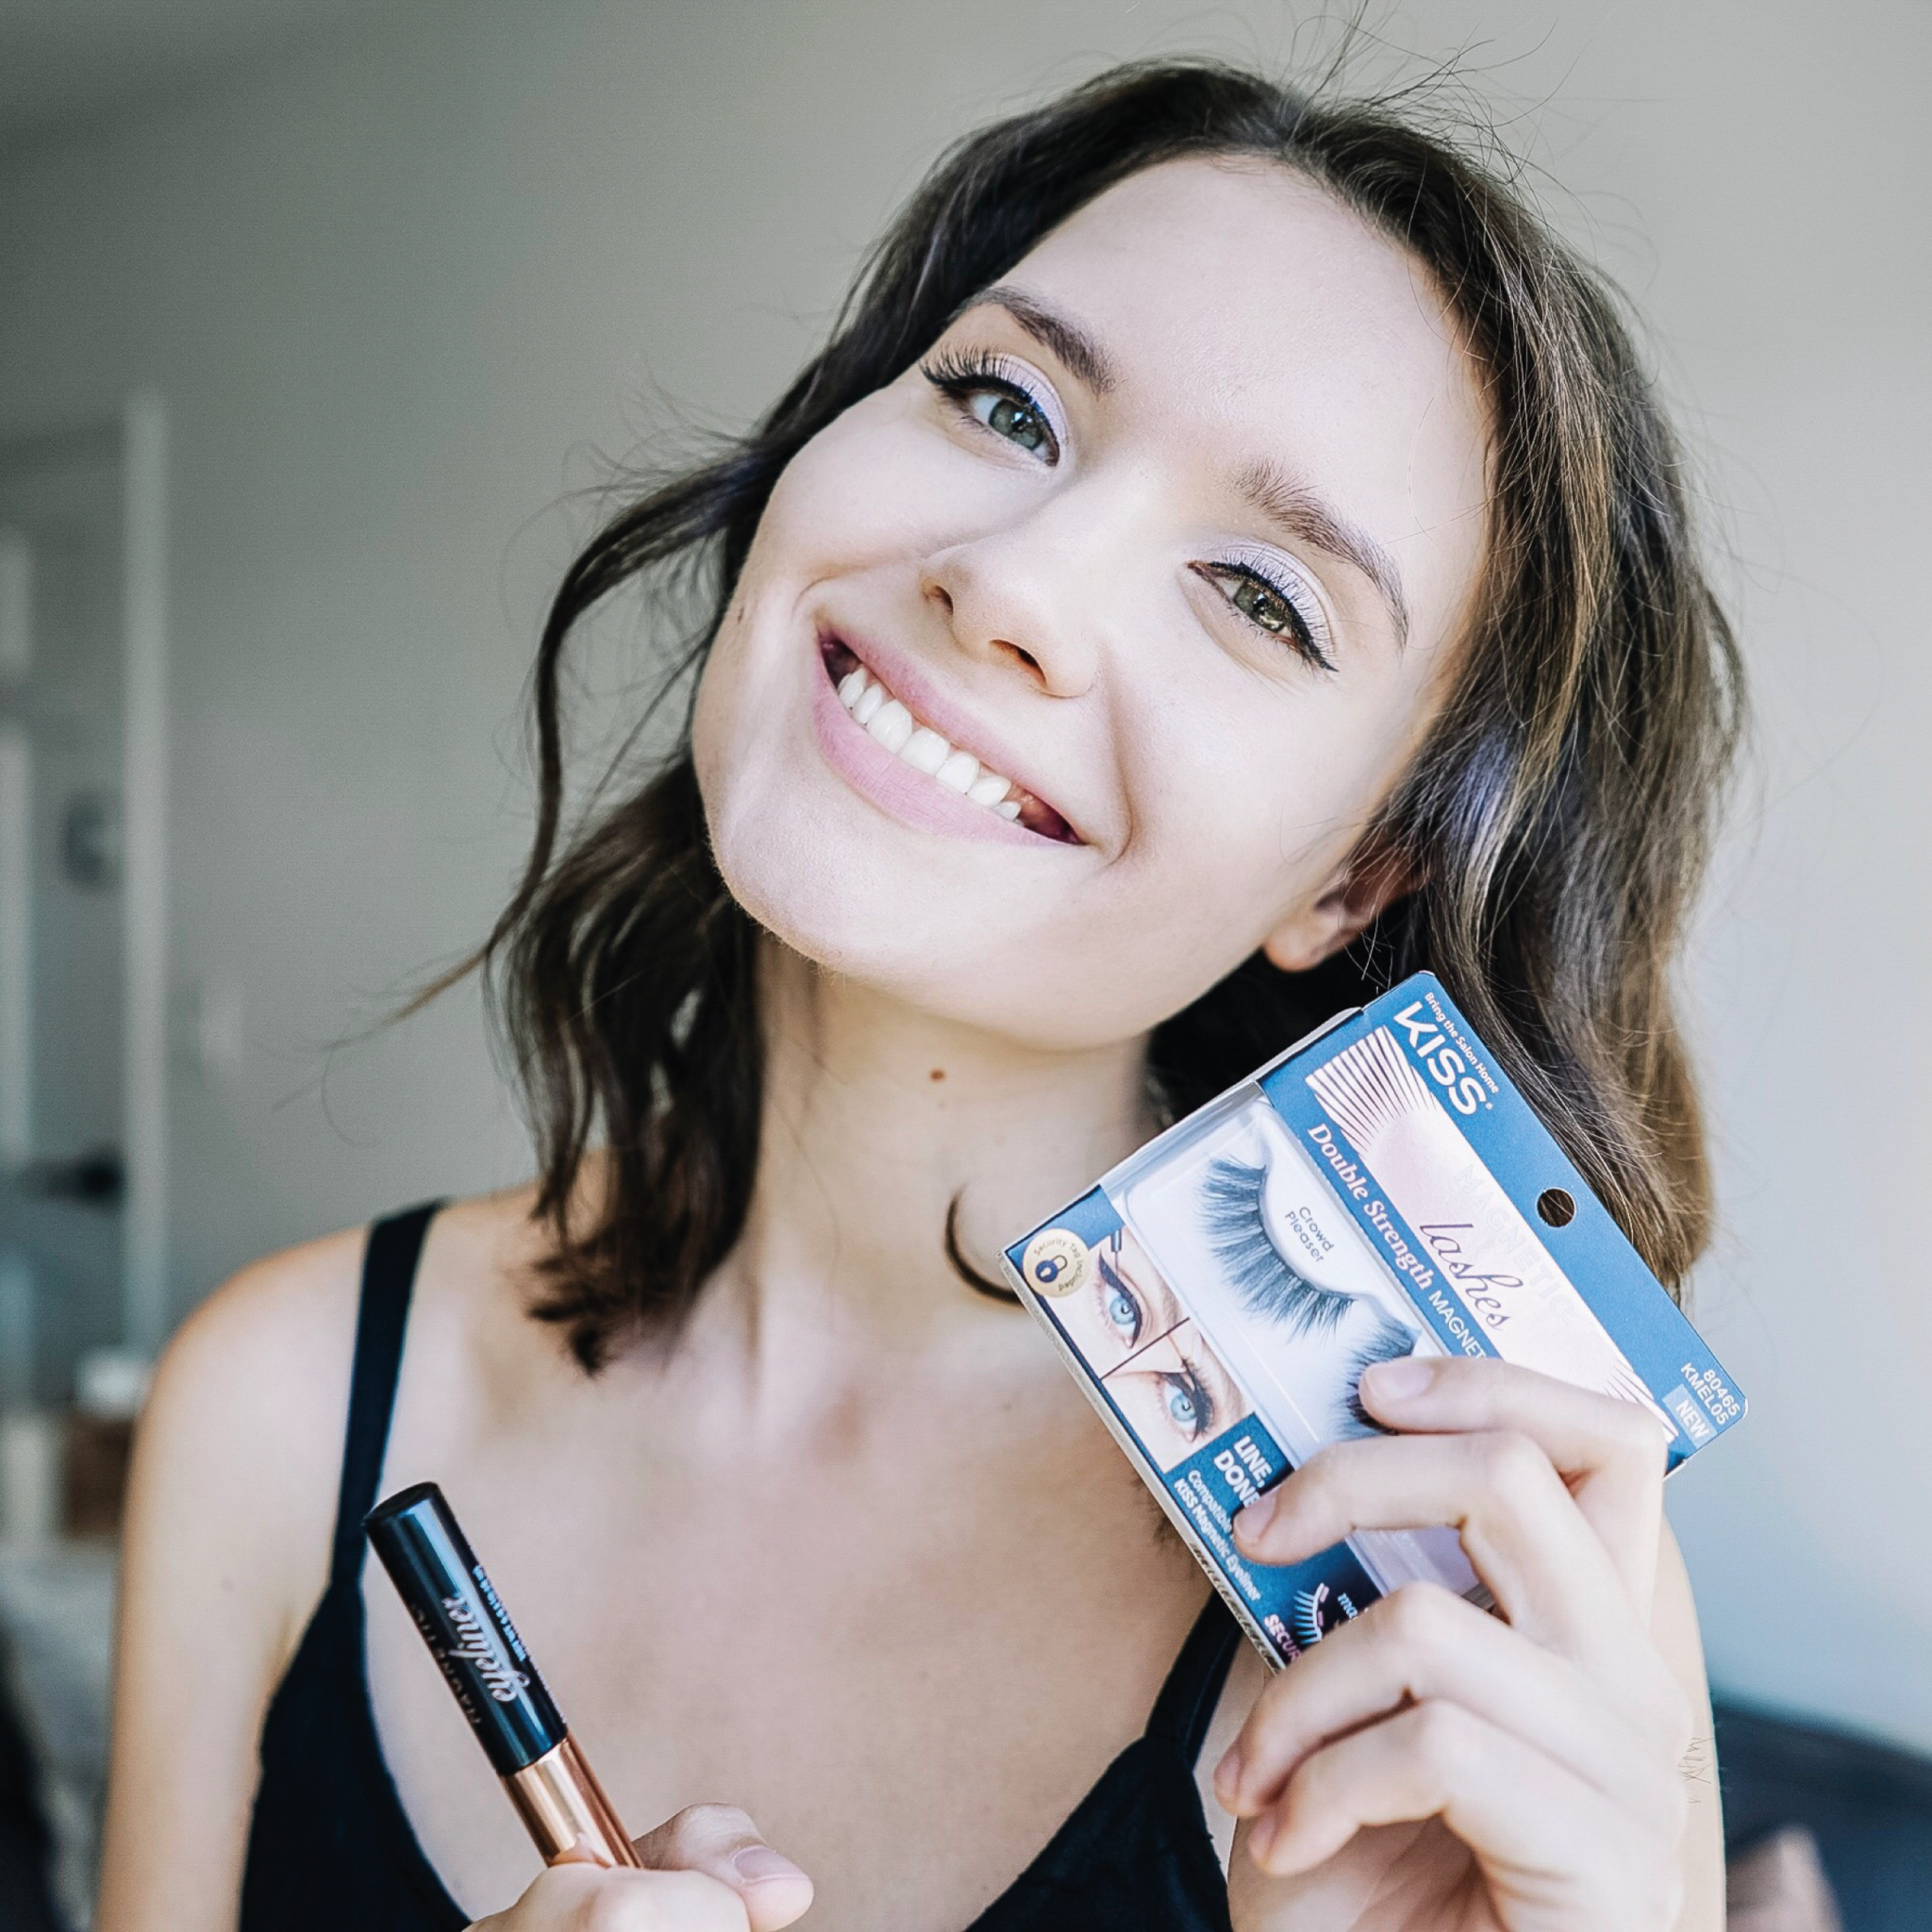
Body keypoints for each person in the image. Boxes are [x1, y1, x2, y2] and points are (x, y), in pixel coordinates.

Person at [95, 58, 1741, 1932]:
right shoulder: (277, 1402)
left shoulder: (1457, 1603)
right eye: (1002, 400)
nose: (1010, 578)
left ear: (1352, 878)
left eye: (1262, 595)